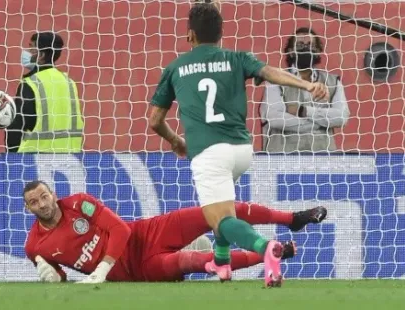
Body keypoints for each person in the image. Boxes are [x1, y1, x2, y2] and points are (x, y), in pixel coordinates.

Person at [148, 3, 329, 286]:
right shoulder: (237, 58)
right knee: (224, 209)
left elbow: (155, 120)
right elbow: (269, 71)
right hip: (242, 150)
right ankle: (222, 263)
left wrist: (176, 140)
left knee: (219, 219)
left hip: (209, 153)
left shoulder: (176, 68)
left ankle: (265, 248)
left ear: (189, 35)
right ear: (221, 34)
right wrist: (307, 86)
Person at [23, 180, 327, 284]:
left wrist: (102, 267)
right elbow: (58, 278)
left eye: (45, 196)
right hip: (138, 271)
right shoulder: (36, 246)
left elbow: (118, 230)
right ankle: (272, 253)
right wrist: (52, 276)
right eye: (34, 202)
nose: (42, 204)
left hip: (145, 233)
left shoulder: (78, 203)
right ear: (29, 209)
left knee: (216, 209)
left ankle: (293, 218)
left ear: (53, 194)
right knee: (198, 261)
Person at [260, 27, 350, 153]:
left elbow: (341, 118)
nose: (305, 48)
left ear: (318, 51)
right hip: (283, 159)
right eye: (300, 45)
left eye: (310, 45)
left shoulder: (333, 81)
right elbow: (275, 119)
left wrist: (304, 111)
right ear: (291, 51)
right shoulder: (275, 80)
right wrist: (320, 123)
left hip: (322, 159)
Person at [6, 32, 83, 153]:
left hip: (36, 159)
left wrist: (11, 157)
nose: (27, 52)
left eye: (31, 48)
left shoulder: (32, 83)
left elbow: (18, 127)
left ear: (41, 55)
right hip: (71, 157)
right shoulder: (69, 83)